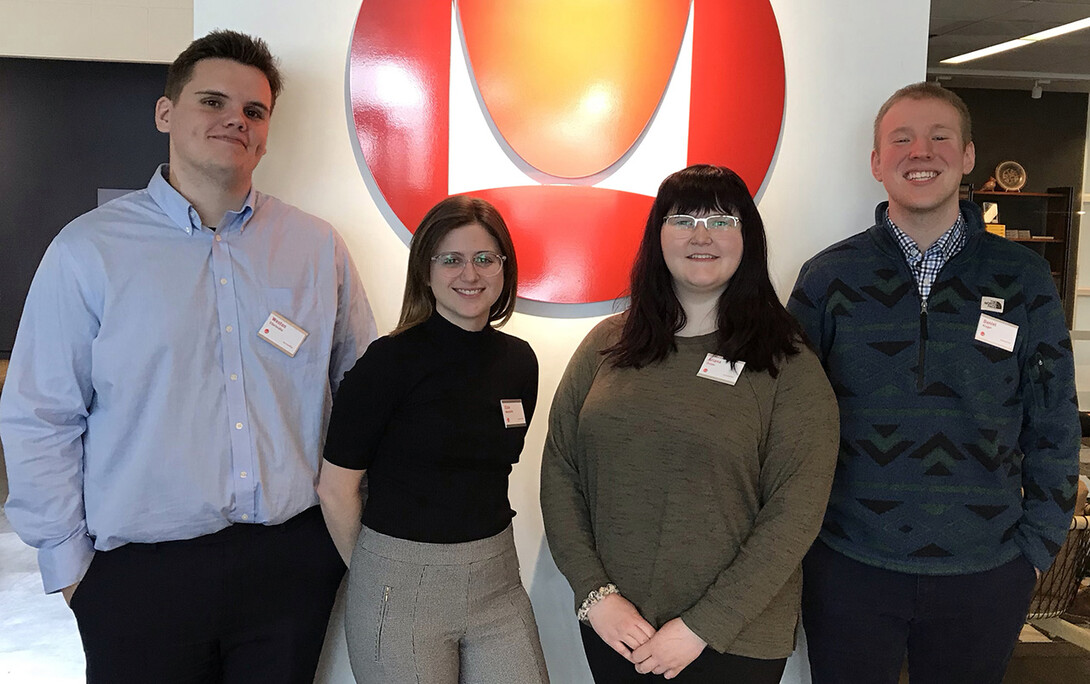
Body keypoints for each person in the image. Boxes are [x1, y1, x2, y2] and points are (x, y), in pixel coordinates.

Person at [0, 30, 376, 682]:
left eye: (254, 111)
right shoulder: (88, 251)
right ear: (165, 113)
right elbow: (39, 414)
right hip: (137, 576)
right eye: (212, 100)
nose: (236, 118)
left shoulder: (316, 249)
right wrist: (71, 571)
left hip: (290, 564)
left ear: (265, 134)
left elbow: (362, 389)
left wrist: (343, 541)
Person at [788, 82, 1080, 684]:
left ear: (968, 156)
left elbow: (1053, 418)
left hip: (987, 569)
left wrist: (1036, 550)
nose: (920, 152)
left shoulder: (1022, 277)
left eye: (939, 137)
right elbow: (789, 423)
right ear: (876, 162)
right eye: (901, 139)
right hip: (849, 564)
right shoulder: (827, 279)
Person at [540, 164, 840, 682]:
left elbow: (796, 512)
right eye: (683, 218)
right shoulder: (607, 345)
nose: (701, 235)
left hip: (734, 640)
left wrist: (702, 626)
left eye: (722, 220)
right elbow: (561, 472)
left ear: (749, 238)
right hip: (618, 629)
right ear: (659, 236)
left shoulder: (787, 364)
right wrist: (596, 595)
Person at [317, 195, 549, 683]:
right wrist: (376, 575)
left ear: (504, 269)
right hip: (399, 582)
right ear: (426, 270)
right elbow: (335, 488)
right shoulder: (388, 363)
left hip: (497, 581)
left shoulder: (519, 361)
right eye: (452, 259)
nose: (471, 274)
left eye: (485, 258)